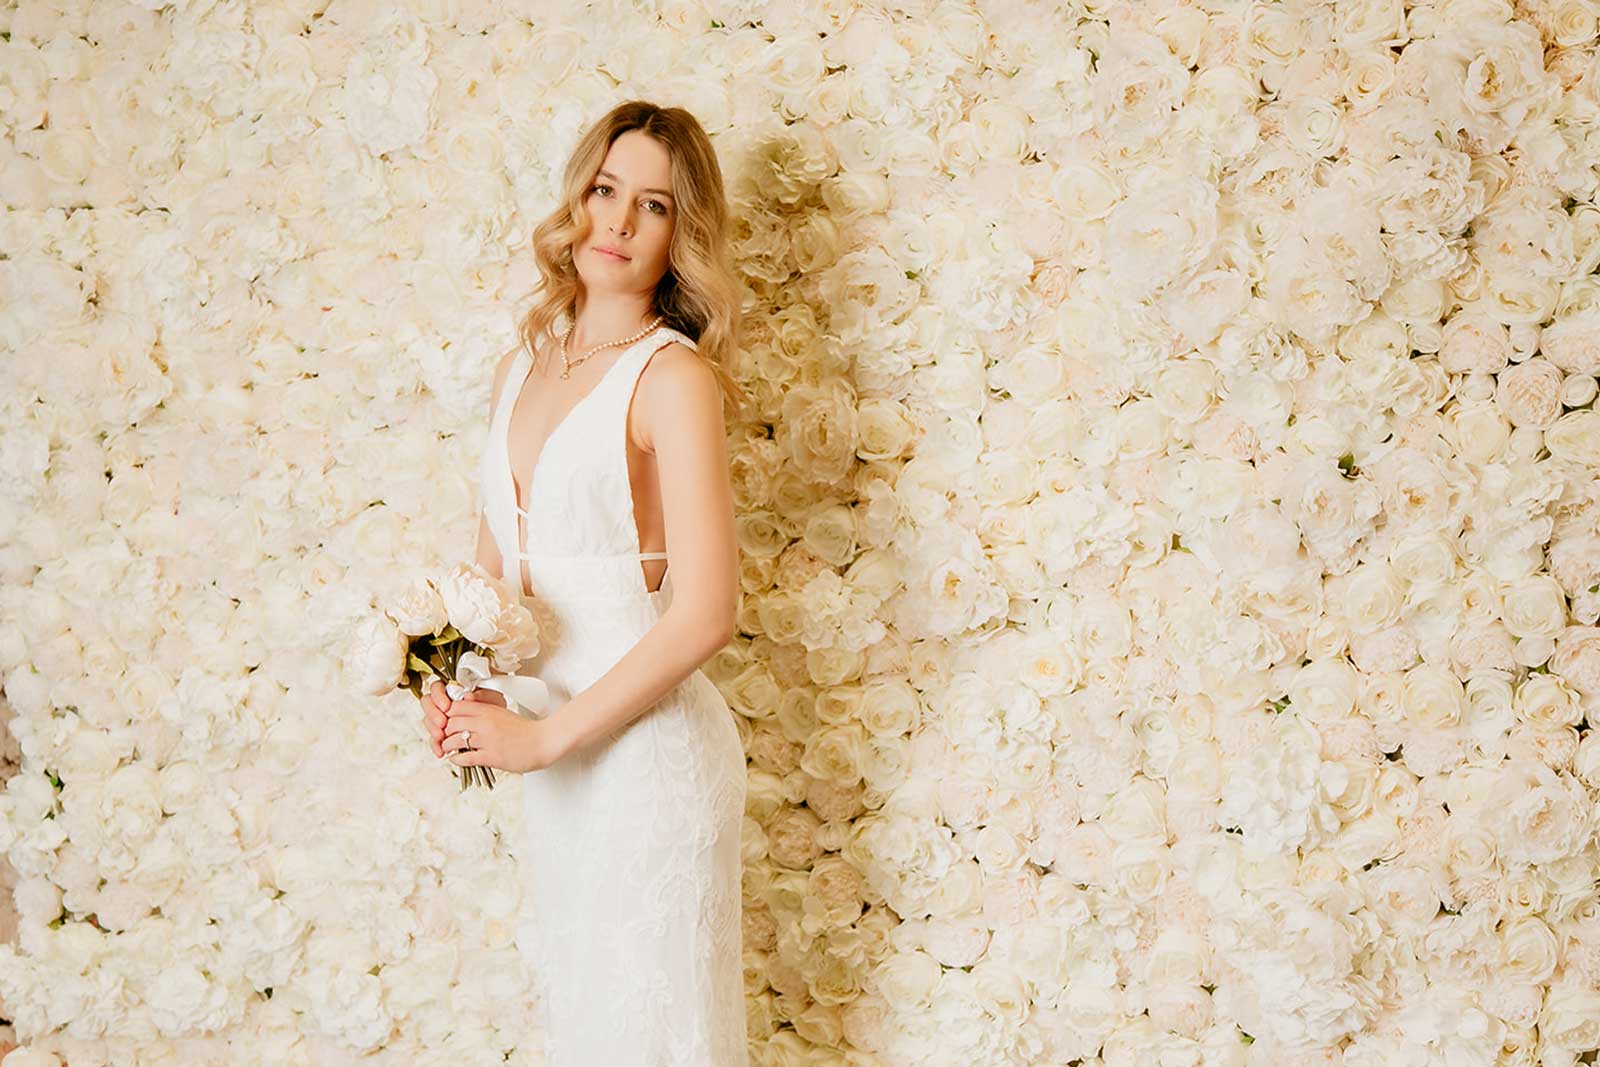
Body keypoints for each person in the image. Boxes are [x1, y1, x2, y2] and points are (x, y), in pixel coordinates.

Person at [416, 100, 749, 1066]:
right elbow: (492, 573)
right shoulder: (520, 366)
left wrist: (541, 737)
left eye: (652, 205)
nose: (617, 221)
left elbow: (709, 612)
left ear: (680, 234)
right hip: (553, 766)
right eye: (606, 191)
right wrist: (450, 683)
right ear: (578, 199)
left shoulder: (671, 378)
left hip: (646, 769)